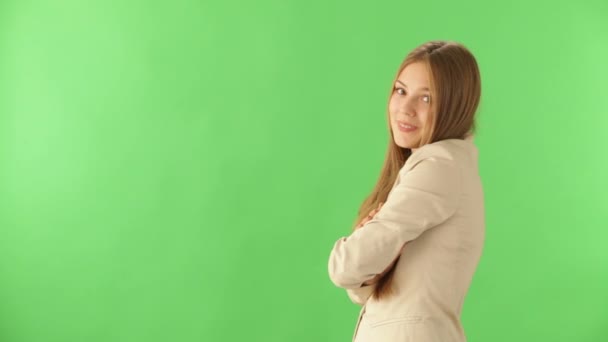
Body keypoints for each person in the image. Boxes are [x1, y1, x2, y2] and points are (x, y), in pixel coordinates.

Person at [327, 40, 485, 342]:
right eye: (401, 91)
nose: (406, 108)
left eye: (426, 98)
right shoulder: (446, 165)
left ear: (455, 105)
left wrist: (362, 239)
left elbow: (345, 268)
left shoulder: (438, 167)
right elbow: (366, 289)